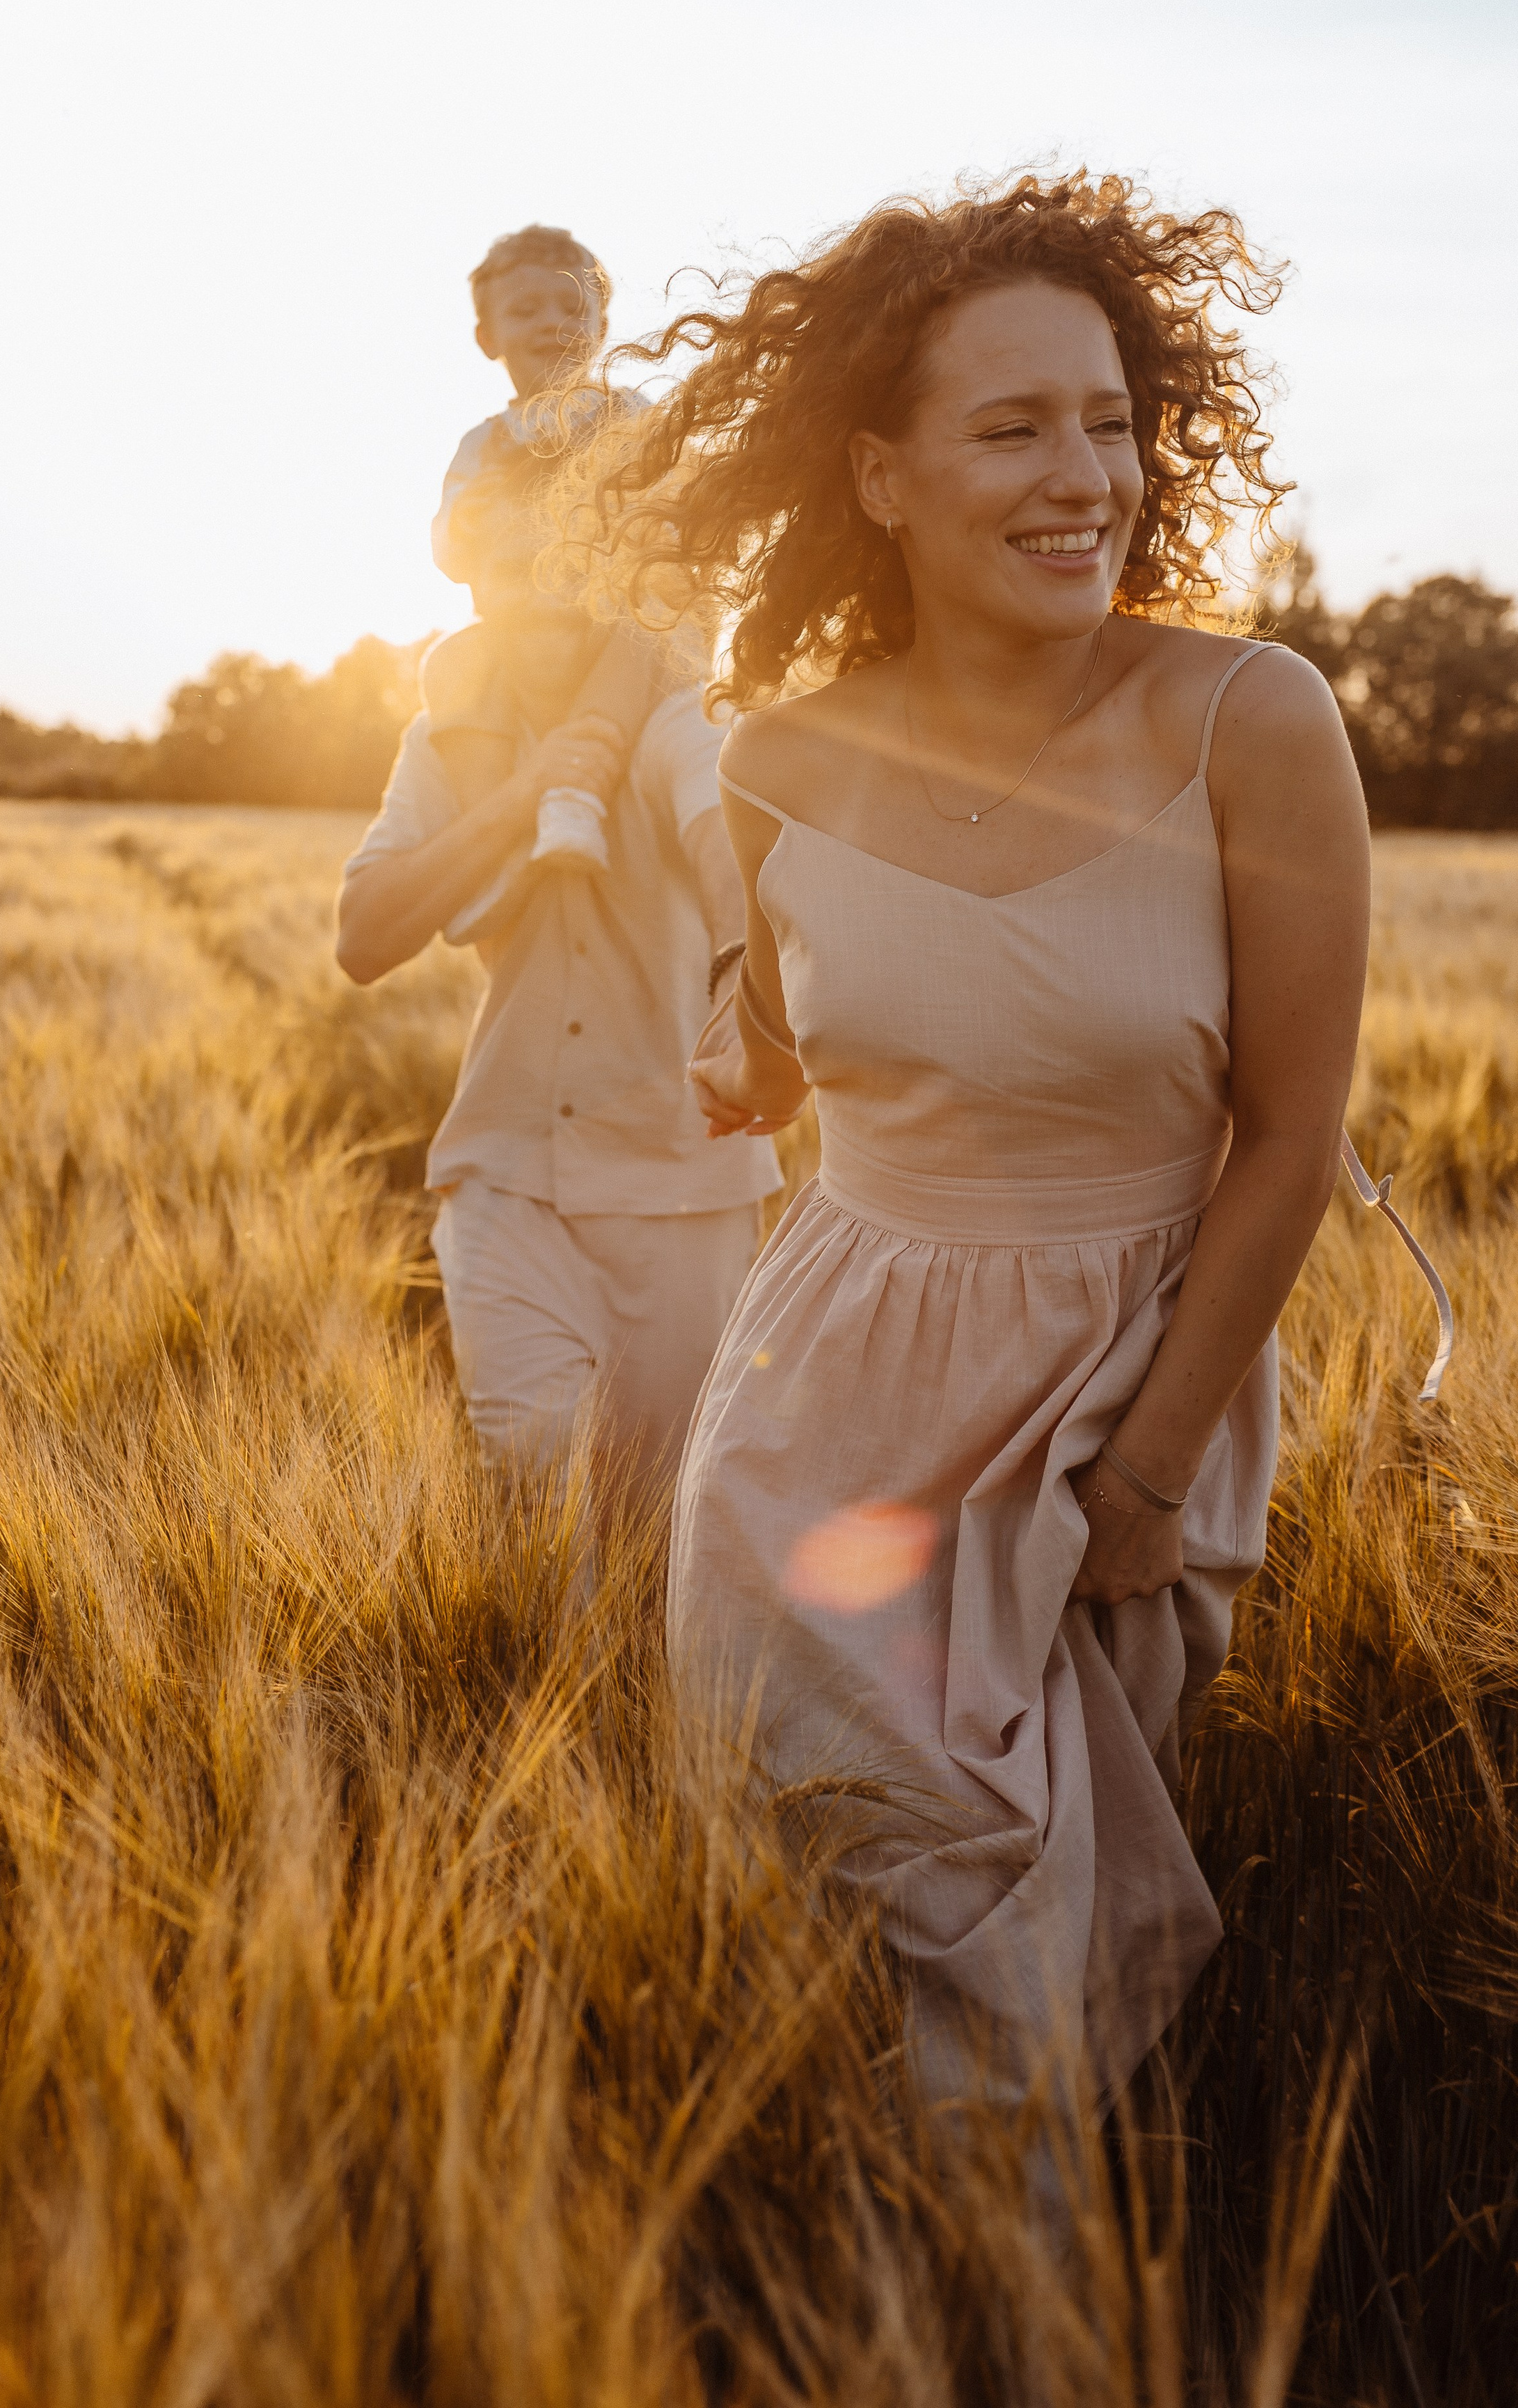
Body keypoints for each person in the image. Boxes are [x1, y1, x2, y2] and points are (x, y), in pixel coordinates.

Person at [586, 173, 1371, 2105]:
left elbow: (1291, 1133)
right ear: (880, 475)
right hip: (820, 1415)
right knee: (843, 1938)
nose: (1082, 472)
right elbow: (773, 1035)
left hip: (1123, 1396)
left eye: (1109, 418)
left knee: (1044, 1982)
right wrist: (738, 1056)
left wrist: (1151, 1469)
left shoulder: (1247, 719)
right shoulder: (775, 761)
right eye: (1013, 426)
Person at [337, 457, 781, 1480]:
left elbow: (723, 840)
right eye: (509, 571)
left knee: (661, 1514)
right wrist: (528, 792)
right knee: (538, 1471)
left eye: (564, 569)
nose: (538, 596)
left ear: (607, 578)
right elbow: (363, 936)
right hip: (504, 1176)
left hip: (682, 1188)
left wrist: (736, 977)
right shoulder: (450, 740)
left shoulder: (679, 712)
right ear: (472, 587)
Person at [425, 226, 667, 937]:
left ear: (601, 328)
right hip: (520, 642)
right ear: (486, 337)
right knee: (453, 663)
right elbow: (447, 552)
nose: (552, 325)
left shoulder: (632, 419)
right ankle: (490, 838)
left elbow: (674, 518)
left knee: (645, 642)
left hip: (608, 632)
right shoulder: (481, 447)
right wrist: (474, 520)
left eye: (571, 309)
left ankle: (572, 797)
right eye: (526, 312)